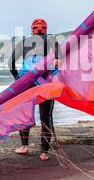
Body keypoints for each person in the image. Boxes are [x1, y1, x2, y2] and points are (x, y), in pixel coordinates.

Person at [8, 18, 61, 162]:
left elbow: (11, 63)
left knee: (24, 112)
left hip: (26, 81)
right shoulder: (51, 39)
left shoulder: (24, 42)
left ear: (32, 29)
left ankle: (24, 147)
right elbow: (60, 59)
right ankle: (44, 153)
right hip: (45, 80)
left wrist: (17, 78)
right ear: (46, 29)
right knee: (46, 116)